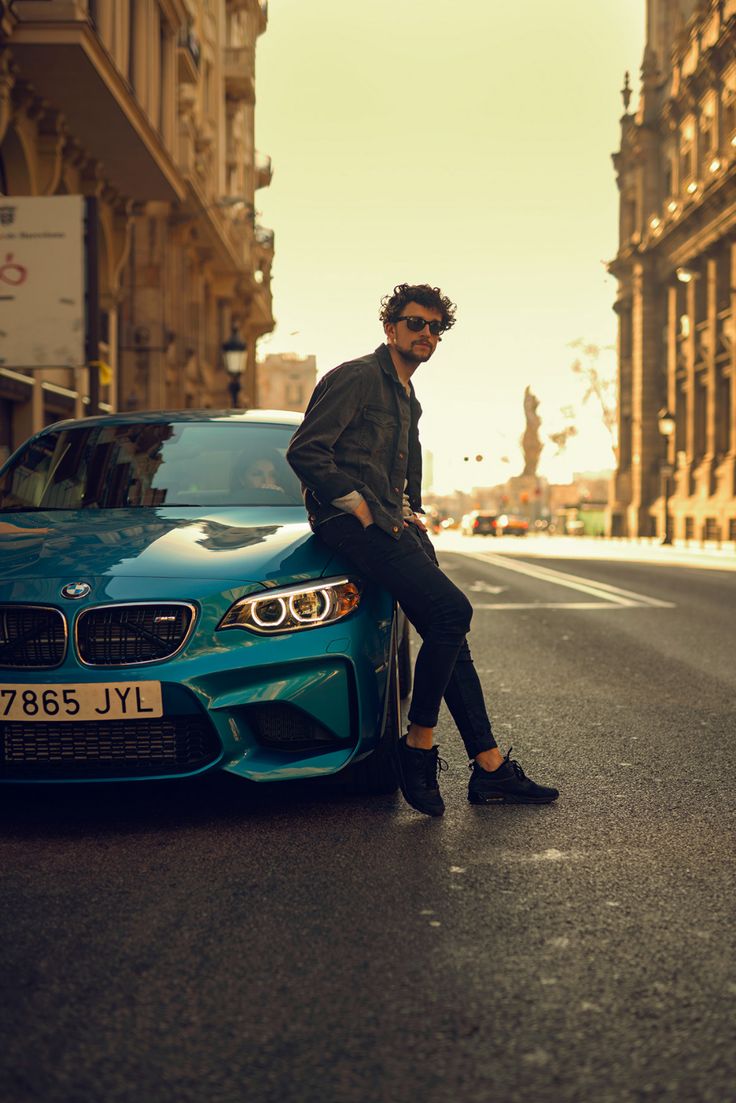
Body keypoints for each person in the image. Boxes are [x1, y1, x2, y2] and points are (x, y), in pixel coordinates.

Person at [287, 283, 559, 817]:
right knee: (454, 610)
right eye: (415, 323)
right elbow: (306, 452)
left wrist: (408, 510)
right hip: (353, 525)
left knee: (449, 634)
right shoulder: (358, 377)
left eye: (436, 328)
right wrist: (359, 506)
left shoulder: (408, 397)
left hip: (393, 524)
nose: (426, 335)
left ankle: (489, 767)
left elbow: (402, 476)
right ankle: (417, 746)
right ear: (390, 327)